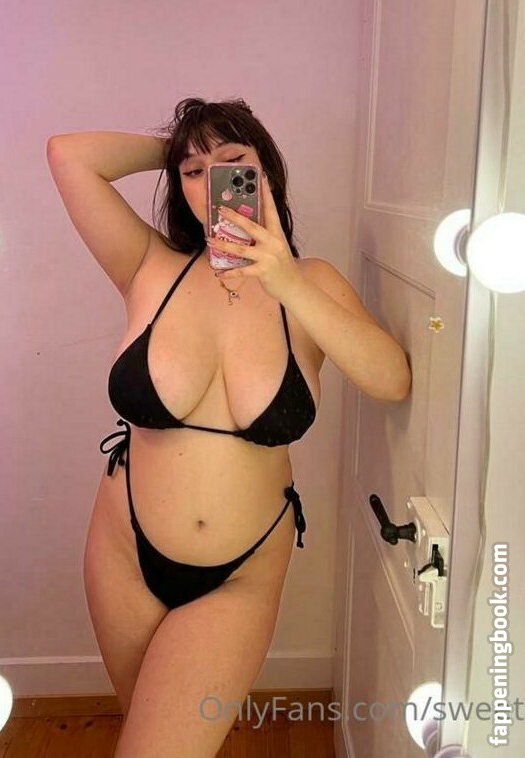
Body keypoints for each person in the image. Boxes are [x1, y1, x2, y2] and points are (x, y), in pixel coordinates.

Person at [46, 97, 411, 758]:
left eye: (233, 163)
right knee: (147, 732)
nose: (212, 180)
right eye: (193, 172)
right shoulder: (147, 265)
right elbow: (68, 155)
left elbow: (391, 379)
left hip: (241, 571)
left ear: (266, 171)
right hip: (123, 551)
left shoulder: (312, 283)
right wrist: (177, 149)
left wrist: (285, 282)